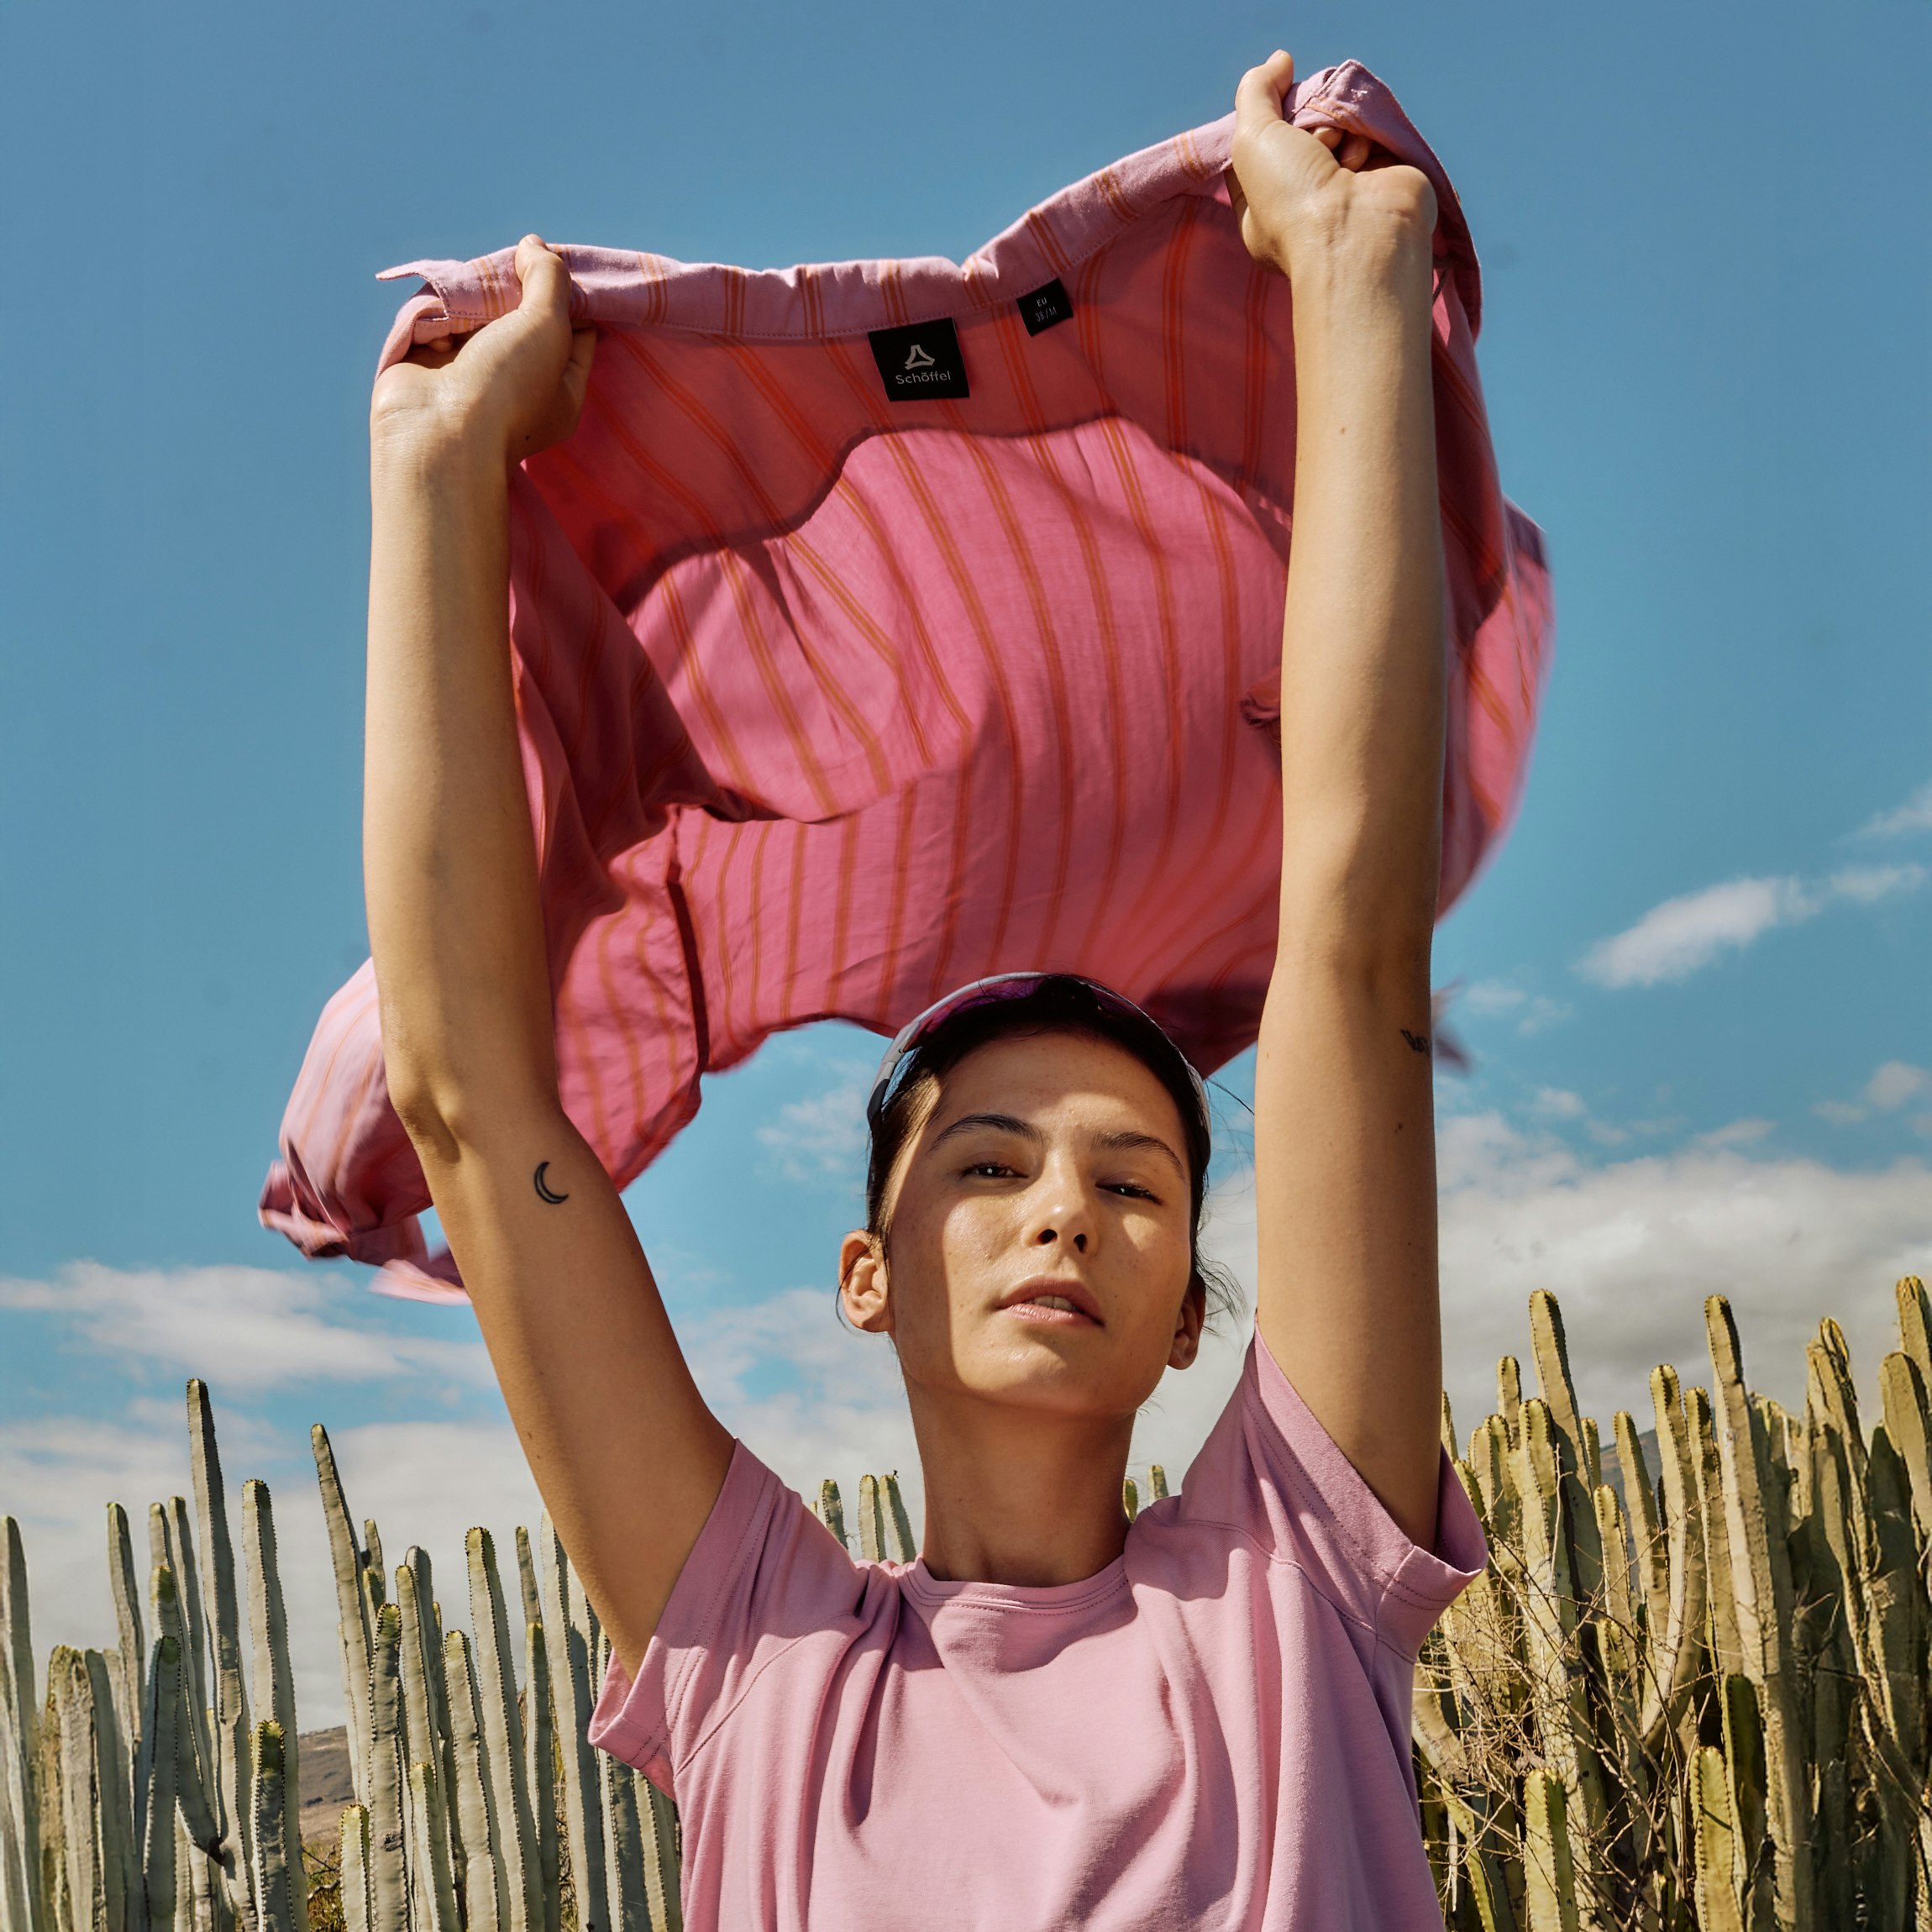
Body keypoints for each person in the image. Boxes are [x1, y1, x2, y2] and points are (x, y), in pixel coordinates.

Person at [362, 47, 1485, 1931]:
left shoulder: (1296, 1583)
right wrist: (438, 473)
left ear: (1194, 1315)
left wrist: (1356, 283)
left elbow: (1352, 926)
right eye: (987, 1165)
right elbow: (469, 1103)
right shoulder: (760, 1651)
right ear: (863, 1270)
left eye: (1135, 1182)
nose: (1066, 1206)